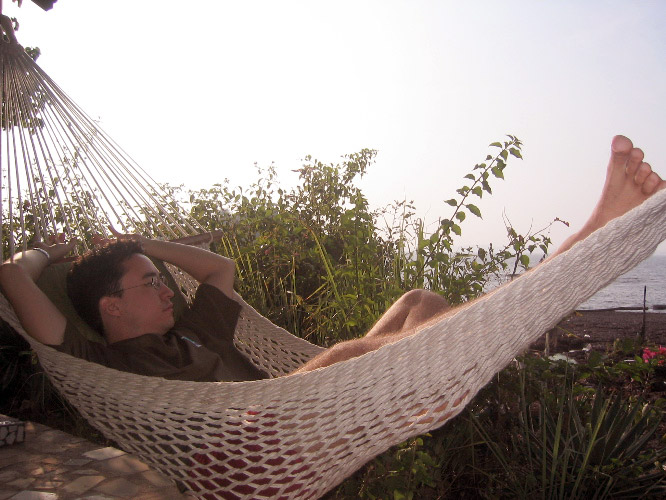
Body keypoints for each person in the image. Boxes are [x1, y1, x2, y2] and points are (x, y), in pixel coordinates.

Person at [1, 135, 664, 380]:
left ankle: (455, 363)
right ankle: (584, 244)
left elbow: (220, 270)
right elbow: (9, 275)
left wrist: (140, 244)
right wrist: (47, 254)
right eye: (150, 282)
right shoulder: (102, 363)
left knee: (421, 304)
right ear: (111, 307)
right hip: (255, 438)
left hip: (292, 408)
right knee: (372, 353)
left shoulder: (194, 330)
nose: (167, 287)